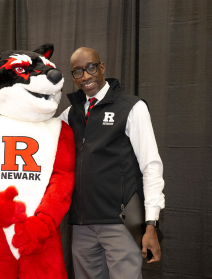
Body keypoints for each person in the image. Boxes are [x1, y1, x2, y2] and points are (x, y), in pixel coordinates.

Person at [59, 47, 165, 279]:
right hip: (81, 225)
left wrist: (151, 224)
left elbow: (151, 166)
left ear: (102, 67)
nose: (85, 76)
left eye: (90, 68)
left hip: (120, 224)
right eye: (78, 72)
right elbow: (40, 135)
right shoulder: (70, 114)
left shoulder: (132, 107)